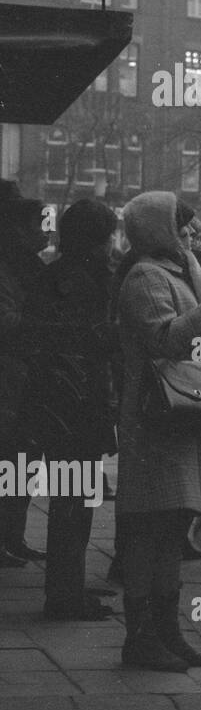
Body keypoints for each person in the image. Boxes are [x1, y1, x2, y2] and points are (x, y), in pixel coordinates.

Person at [115, 191, 201, 671]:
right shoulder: (145, 276)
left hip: (185, 415)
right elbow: (163, 339)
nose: (189, 236)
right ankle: (141, 638)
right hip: (157, 421)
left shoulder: (178, 272)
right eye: (180, 228)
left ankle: (167, 632)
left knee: (170, 529)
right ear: (158, 229)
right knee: (149, 528)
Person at [27, 199, 120, 619]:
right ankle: (64, 595)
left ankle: (67, 587)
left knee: (74, 500)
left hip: (60, 403)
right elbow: (92, 340)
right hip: (76, 406)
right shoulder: (87, 279)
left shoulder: (56, 274)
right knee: (73, 502)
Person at [0, 189, 51, 567]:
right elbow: (7, 322)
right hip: (10, 381)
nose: (44, 232)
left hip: (26, 382)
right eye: (39, 225)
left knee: (23, 465)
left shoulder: (32, 267)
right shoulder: (7, 269)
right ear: (17, 229)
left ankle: (13, 538)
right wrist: (47, 325)